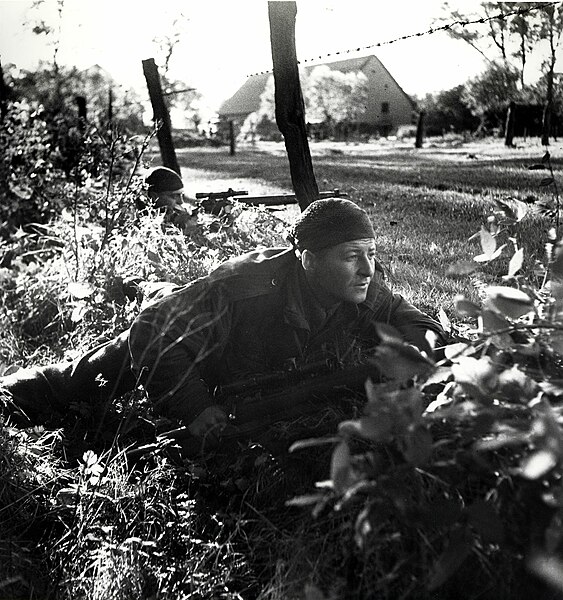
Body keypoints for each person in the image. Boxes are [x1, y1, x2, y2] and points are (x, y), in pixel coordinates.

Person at [0, 198, 445, 443]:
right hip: (195, 340)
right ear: (307, 259)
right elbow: (153, 331)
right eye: (352, 257)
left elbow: (413, 320)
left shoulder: (364, 284)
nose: (367, 269)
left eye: (371, 253)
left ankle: (151, 285)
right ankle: (14, 389)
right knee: (89, 379)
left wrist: (413, 357)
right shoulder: (246, 287)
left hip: (242, 364)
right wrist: (194, 407)